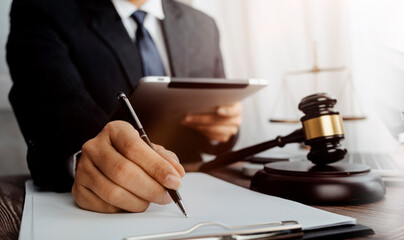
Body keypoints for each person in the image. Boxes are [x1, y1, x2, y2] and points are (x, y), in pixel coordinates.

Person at [6, 0, 241, 213]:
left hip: (199, 188)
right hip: (101, 201)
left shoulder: (202, 24)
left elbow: (219, 111)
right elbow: (54, 106)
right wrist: (85, 159)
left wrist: (222, 129)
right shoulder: (43, 9)